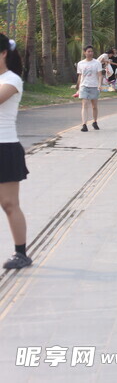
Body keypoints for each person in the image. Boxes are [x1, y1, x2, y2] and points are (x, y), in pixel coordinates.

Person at [0, 34, 30, 270]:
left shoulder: (12, 80)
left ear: (3, 54)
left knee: (9, 204)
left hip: (5, 147)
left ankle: (21, 253)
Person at [75, 46, 102, 132]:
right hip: (84, 86)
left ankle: (95, 121)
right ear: (84, 53)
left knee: (94, 106)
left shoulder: (97, 63)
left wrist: (99, 84)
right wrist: (78, 86)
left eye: (91, 51)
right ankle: (84, 124)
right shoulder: (80, 64)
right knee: (85, 104)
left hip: (94, 86)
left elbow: (100, 75)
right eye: (88, 51)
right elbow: (80, 75)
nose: (90, 53)